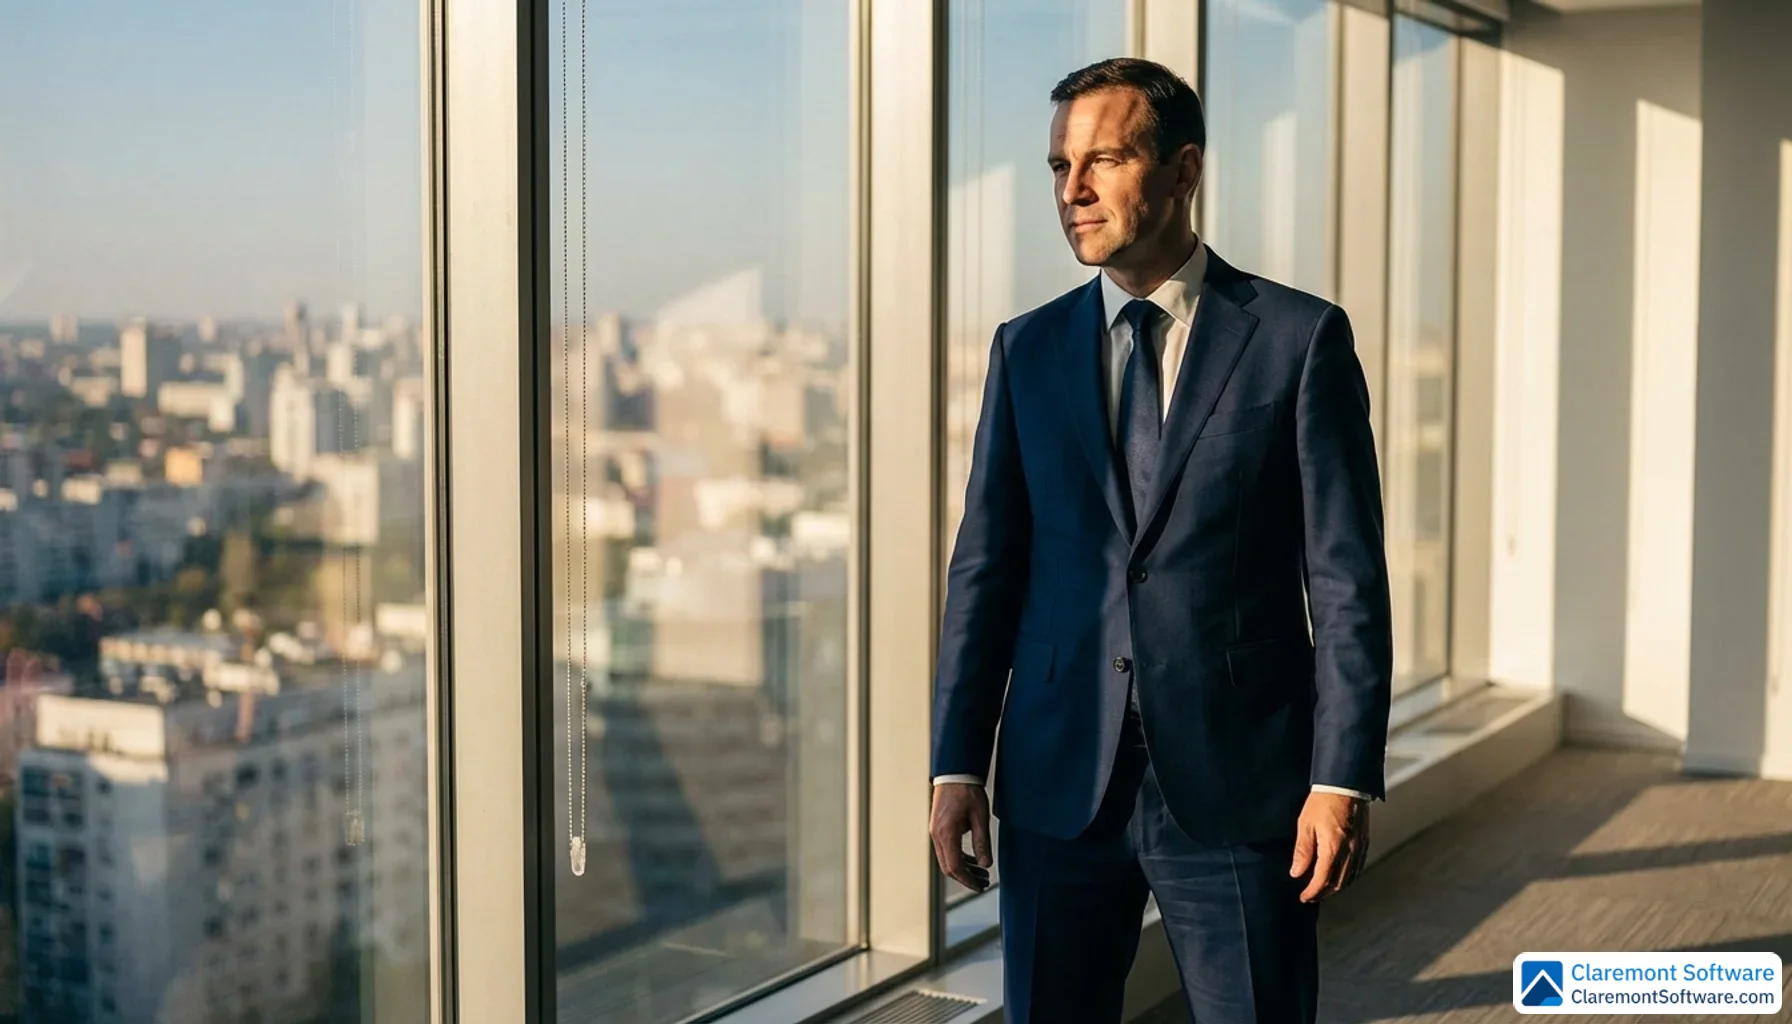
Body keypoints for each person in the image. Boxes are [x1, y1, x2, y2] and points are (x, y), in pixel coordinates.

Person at [928, 57, 1394, 1024]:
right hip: (1060, 781)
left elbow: (1345, 579)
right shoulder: (1027, 348)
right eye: (1059, 167)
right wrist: (957, 764)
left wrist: (1340, 775)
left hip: (1241, 781)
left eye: (1102, 160)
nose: (1074, 191)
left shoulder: (1297, 339)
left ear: (1183, 172)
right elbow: (987, 568)